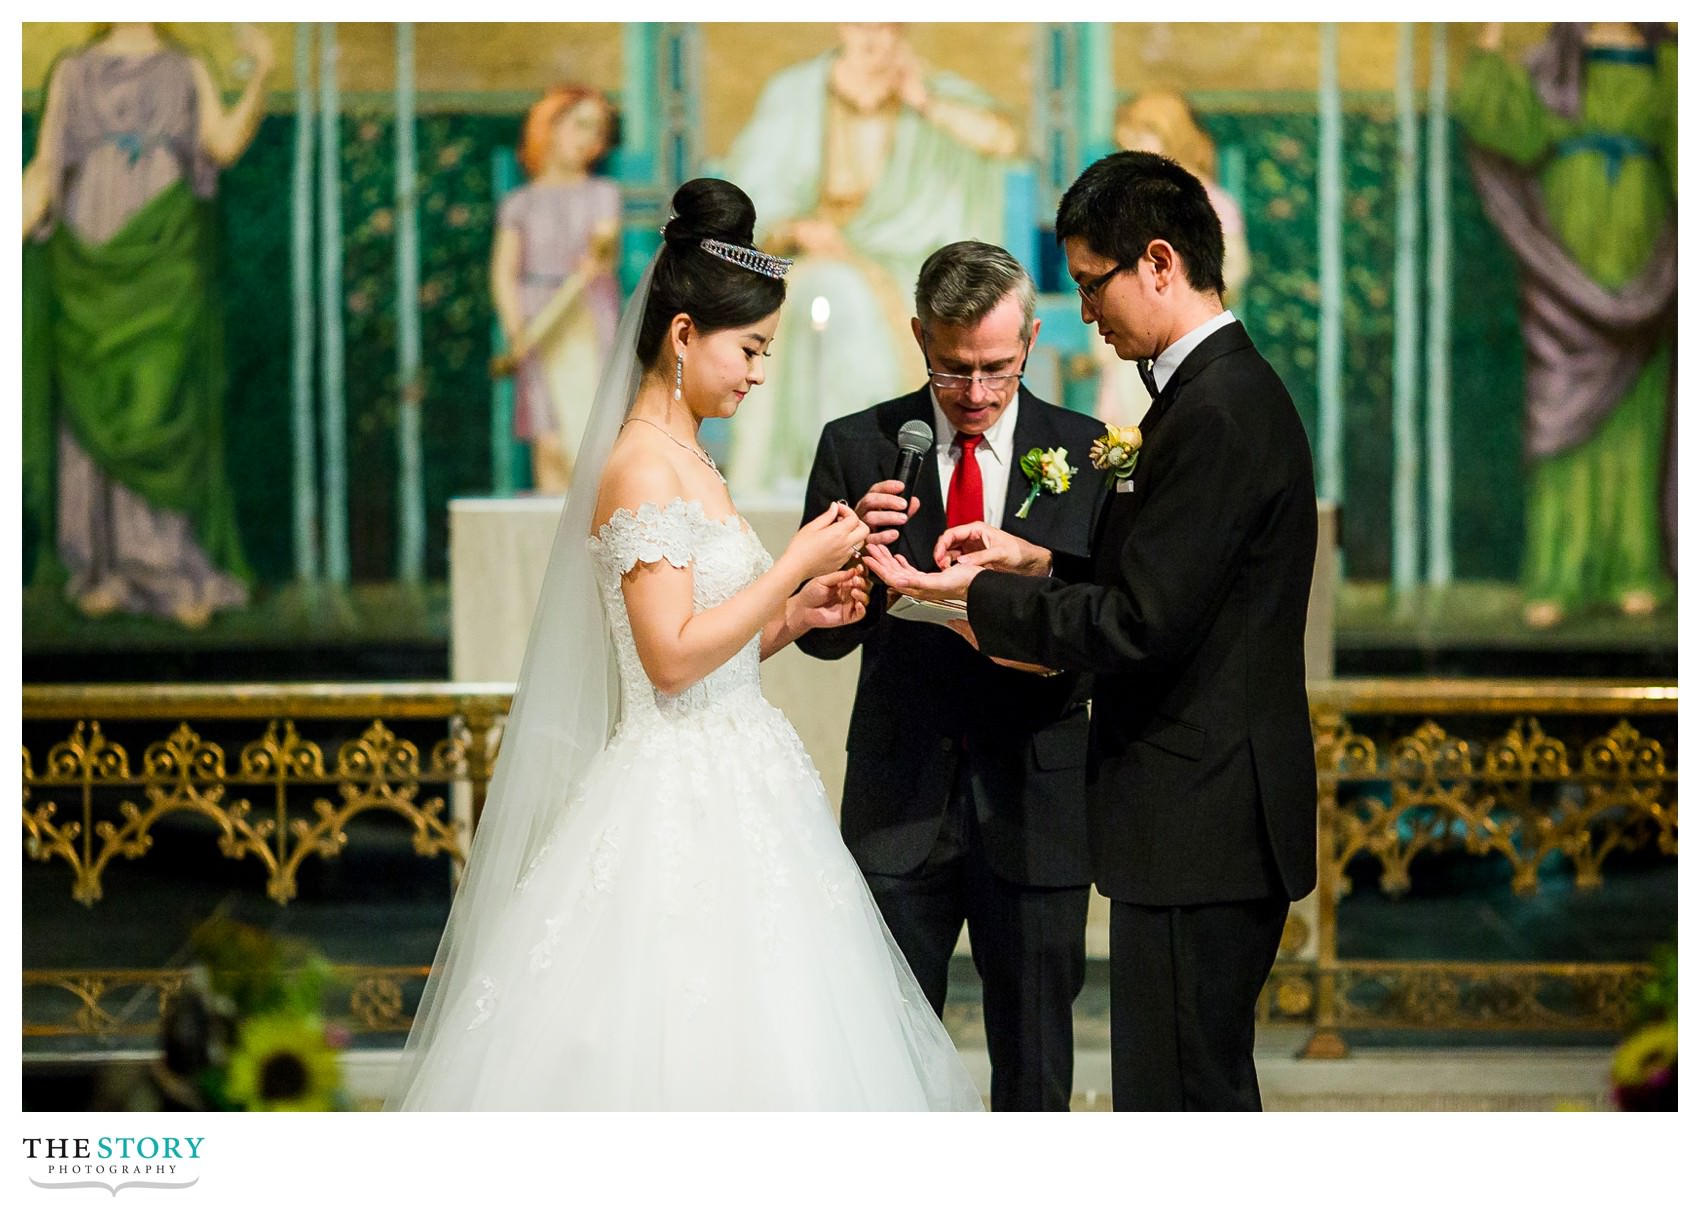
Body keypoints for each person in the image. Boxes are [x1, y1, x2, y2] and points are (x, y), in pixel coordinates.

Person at [387, 177, 983, 1111]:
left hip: (748, 769)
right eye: (748, 349)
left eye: (765, 353)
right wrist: (791, 565)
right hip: (674, 792)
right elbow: (666, 659)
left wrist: (800, 612)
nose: (756, 373)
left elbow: (715, 642)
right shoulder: (638, 464)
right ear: (680, 336)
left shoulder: (694, 458)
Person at [865, 151, 1318, 1112]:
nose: (1088, 312)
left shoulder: (1221, 411)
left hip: (1206, 815)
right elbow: (1160, 581)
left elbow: (1142, 622)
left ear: (1159, 262)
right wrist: (1038, 561)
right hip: (1196, 815)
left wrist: (967, 598)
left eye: (1090, 284)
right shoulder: (1207, 396)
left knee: (1183, 1098)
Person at [798, 241, 1110, 1111]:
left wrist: (1039, 580)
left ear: (1033, 339)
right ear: (918, 338)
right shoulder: (858, 446)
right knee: (888, 1064)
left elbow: (1109, 623)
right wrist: (850, 555)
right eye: (952, 370)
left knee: (1037, 1062)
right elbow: (820, 642)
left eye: (998, 370)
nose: (975, 393)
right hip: (903, 796)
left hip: (1036, 797)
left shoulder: (1086, 452)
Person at [22, 22, 270, 628]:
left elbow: (225, 144)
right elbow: (45, 169)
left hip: (164, 253)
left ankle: (165, 567)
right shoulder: (73, 71)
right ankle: (104, 569)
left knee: (161, 399)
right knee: (90, 405)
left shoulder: (185, 67)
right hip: (88, 254)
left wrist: (261, 72)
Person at [717, 22, 1019, 497]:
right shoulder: (797, 93)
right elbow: (754, 192)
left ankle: (874, 469)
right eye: (864, 24)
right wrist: (798, 229)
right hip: (811, 254)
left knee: (864, 303)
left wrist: (923, 101)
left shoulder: (926, 88)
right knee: (816, 297)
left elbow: (1002, 141)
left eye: (888, 27)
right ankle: (811, 471)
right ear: (843, 25)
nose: (875, 38)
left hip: (901, 256)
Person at [1456, 22, 1676, 628]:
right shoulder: (1555, 59)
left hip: (1645, 252)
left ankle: (1631, 569)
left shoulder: (1672, 58)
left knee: (1637, 416)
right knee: (1557, 414)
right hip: (1562, 252)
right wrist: (1488, 48)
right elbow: (1515, 130)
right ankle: (1557, 574)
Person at [489, 86, 622, 494]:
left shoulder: (603, 196)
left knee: (587, 438)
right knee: (547, 440)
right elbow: (503, 273)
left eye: (596, 129)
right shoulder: (519, 204)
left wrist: (593, 262)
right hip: (537, 326)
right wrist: (516, 331)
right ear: (550, 125)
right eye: (578, 125)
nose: (587, 138)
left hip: (584, 318)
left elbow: (603, 250)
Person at [1095, 91, 1251, 428]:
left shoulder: (1208, 201)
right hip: (1134, 350)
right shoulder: (1130, 205)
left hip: (1184, 344)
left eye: (1142, 138)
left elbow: (1231, 271)